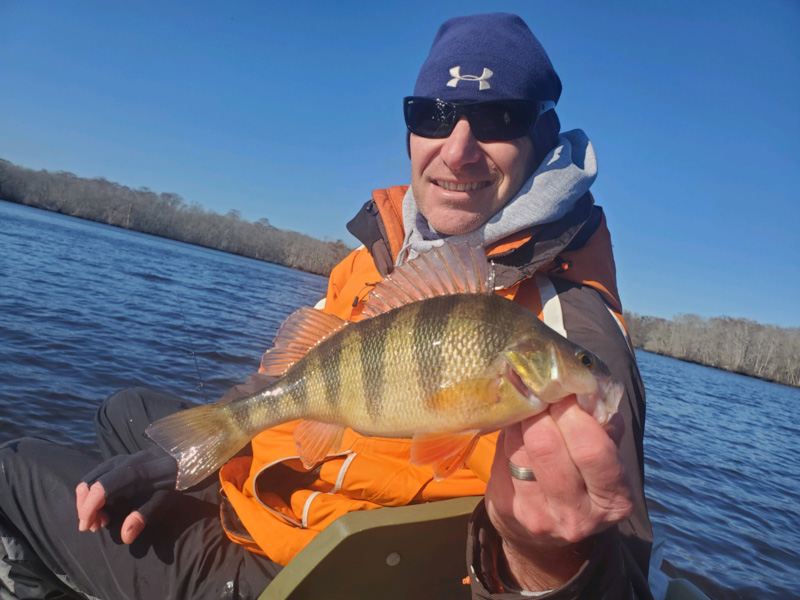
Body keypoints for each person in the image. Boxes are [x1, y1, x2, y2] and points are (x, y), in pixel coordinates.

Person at [0, 13, 653, 599]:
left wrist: (543, 561)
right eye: (432, 115)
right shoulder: (388, 255)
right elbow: (290, 377)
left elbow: (621, 573)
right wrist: (204, 450)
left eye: (498, 118)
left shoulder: (568, 320)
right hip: (286, 488)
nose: (457, 150)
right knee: (124, 411)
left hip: (306, 570)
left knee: (14, 467)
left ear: (541, 137)